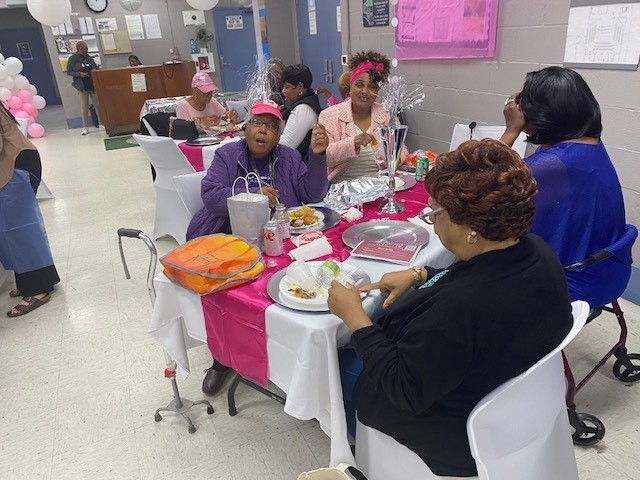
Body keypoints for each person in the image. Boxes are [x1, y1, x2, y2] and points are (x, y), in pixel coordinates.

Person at [327, 139, 573, 477]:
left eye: (435, 213)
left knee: (334, 361)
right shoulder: (537, 252)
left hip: (449, 433)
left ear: (470, 229)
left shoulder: (458, 310)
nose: (431, 220)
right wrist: (421, 274)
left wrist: (354, 318)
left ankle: (356, 450)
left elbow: (404, 388)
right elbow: (480, 278)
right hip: (517, 407)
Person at [186, 99, 330, 394]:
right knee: (227, 295)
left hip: (280, 239)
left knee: (298, 287)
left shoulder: (288, 158)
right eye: (257, 123)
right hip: (229, 239)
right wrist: (252, 193)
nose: (263, 131)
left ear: (279, 136)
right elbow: (211, 196)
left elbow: (312, 193)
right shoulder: (227, 155)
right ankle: (221, 359)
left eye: (271, 126)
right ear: (246, 127)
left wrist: (317, 157)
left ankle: (286, 351)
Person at [500, 66, 631, 308]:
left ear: (542, 113)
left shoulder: (556, 163)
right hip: (607, 266)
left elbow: (478, 181)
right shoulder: (588, 144)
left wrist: (511, 130)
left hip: (575, 278)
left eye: (526, 100)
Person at [0, 103, 60, 317]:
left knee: (19, 231)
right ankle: (39, 279)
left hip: (13, 166)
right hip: (15, 163)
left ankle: (37, 289)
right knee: (15, 231)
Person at [318, 50, 391, 183]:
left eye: (372, 87)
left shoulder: (385, 114)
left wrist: (389, 152)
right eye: (359, 84)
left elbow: (401, 151)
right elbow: (325, 156)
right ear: (350, 87)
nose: (365, 91)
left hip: (379, 186)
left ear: (377, 91)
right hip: (341, 188)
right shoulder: (329, 115)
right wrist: (353, 143)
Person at [279, 64, 323, 159]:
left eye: (287, 87)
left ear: (300, 87)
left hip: (298, 166)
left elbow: (285, 145)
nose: (283, 91)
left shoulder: (303, 109)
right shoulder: (305, 102)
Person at [66, 41, 100, 135]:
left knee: (98, 105)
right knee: (84, 107)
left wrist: (94, 70)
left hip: (92, 85)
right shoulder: (73, 59)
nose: (86, 51)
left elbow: (95, 67)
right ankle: (85, 126)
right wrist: (79, 74)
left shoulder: (89, 57)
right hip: (81, 86)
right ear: (78, 49)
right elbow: (69, 71)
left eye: (87, 49)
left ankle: (102, 123)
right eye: (83, 49)